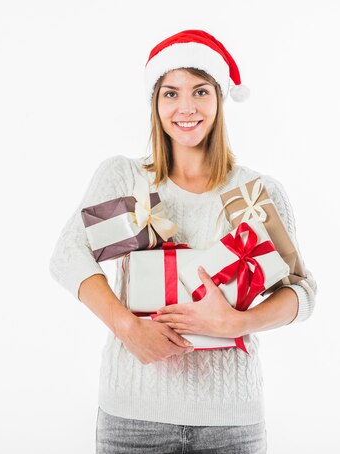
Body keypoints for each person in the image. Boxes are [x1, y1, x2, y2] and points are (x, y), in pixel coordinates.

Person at [49, 29, 317, 454]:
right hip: (132, 419)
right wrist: (127, 327)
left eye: (200, 91)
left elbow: (302, 292)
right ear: (155, 104)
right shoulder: (126, 177)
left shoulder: (256, 192)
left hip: (231, 423)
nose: (186, 108)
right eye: (170, 93)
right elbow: (68, 255)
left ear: (220, 99)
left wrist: (237, 323)